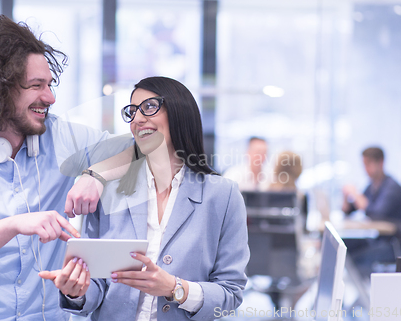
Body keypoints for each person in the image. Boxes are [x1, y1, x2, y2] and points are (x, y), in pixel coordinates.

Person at [0, 15, 131, 321]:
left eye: (49, 85)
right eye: (37, 86)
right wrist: (13, 225)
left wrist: (96, 174)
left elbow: (142, 147)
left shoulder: (64, 137)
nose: (50, 97)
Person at [40, 76, 250, 320]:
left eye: (149, 107)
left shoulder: (222, 195)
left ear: (180, 112)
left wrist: (175, 288)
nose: (138, 119)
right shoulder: (108, 190)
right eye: (132, 111)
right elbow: (96, 284)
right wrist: (77, 291)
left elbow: (230, 294)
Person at [342, 147, 401, 277]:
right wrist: (345, 196)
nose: (365, 169)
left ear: (381, 163)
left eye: (368, 164)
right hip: (383, 239)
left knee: (358, 259)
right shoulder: (373, 186)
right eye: (364, 164)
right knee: (346, 247)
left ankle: (366, 295)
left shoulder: (392, 187)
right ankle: (361, 292)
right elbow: (349, 211)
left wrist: (354, 194)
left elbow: (376, 213)